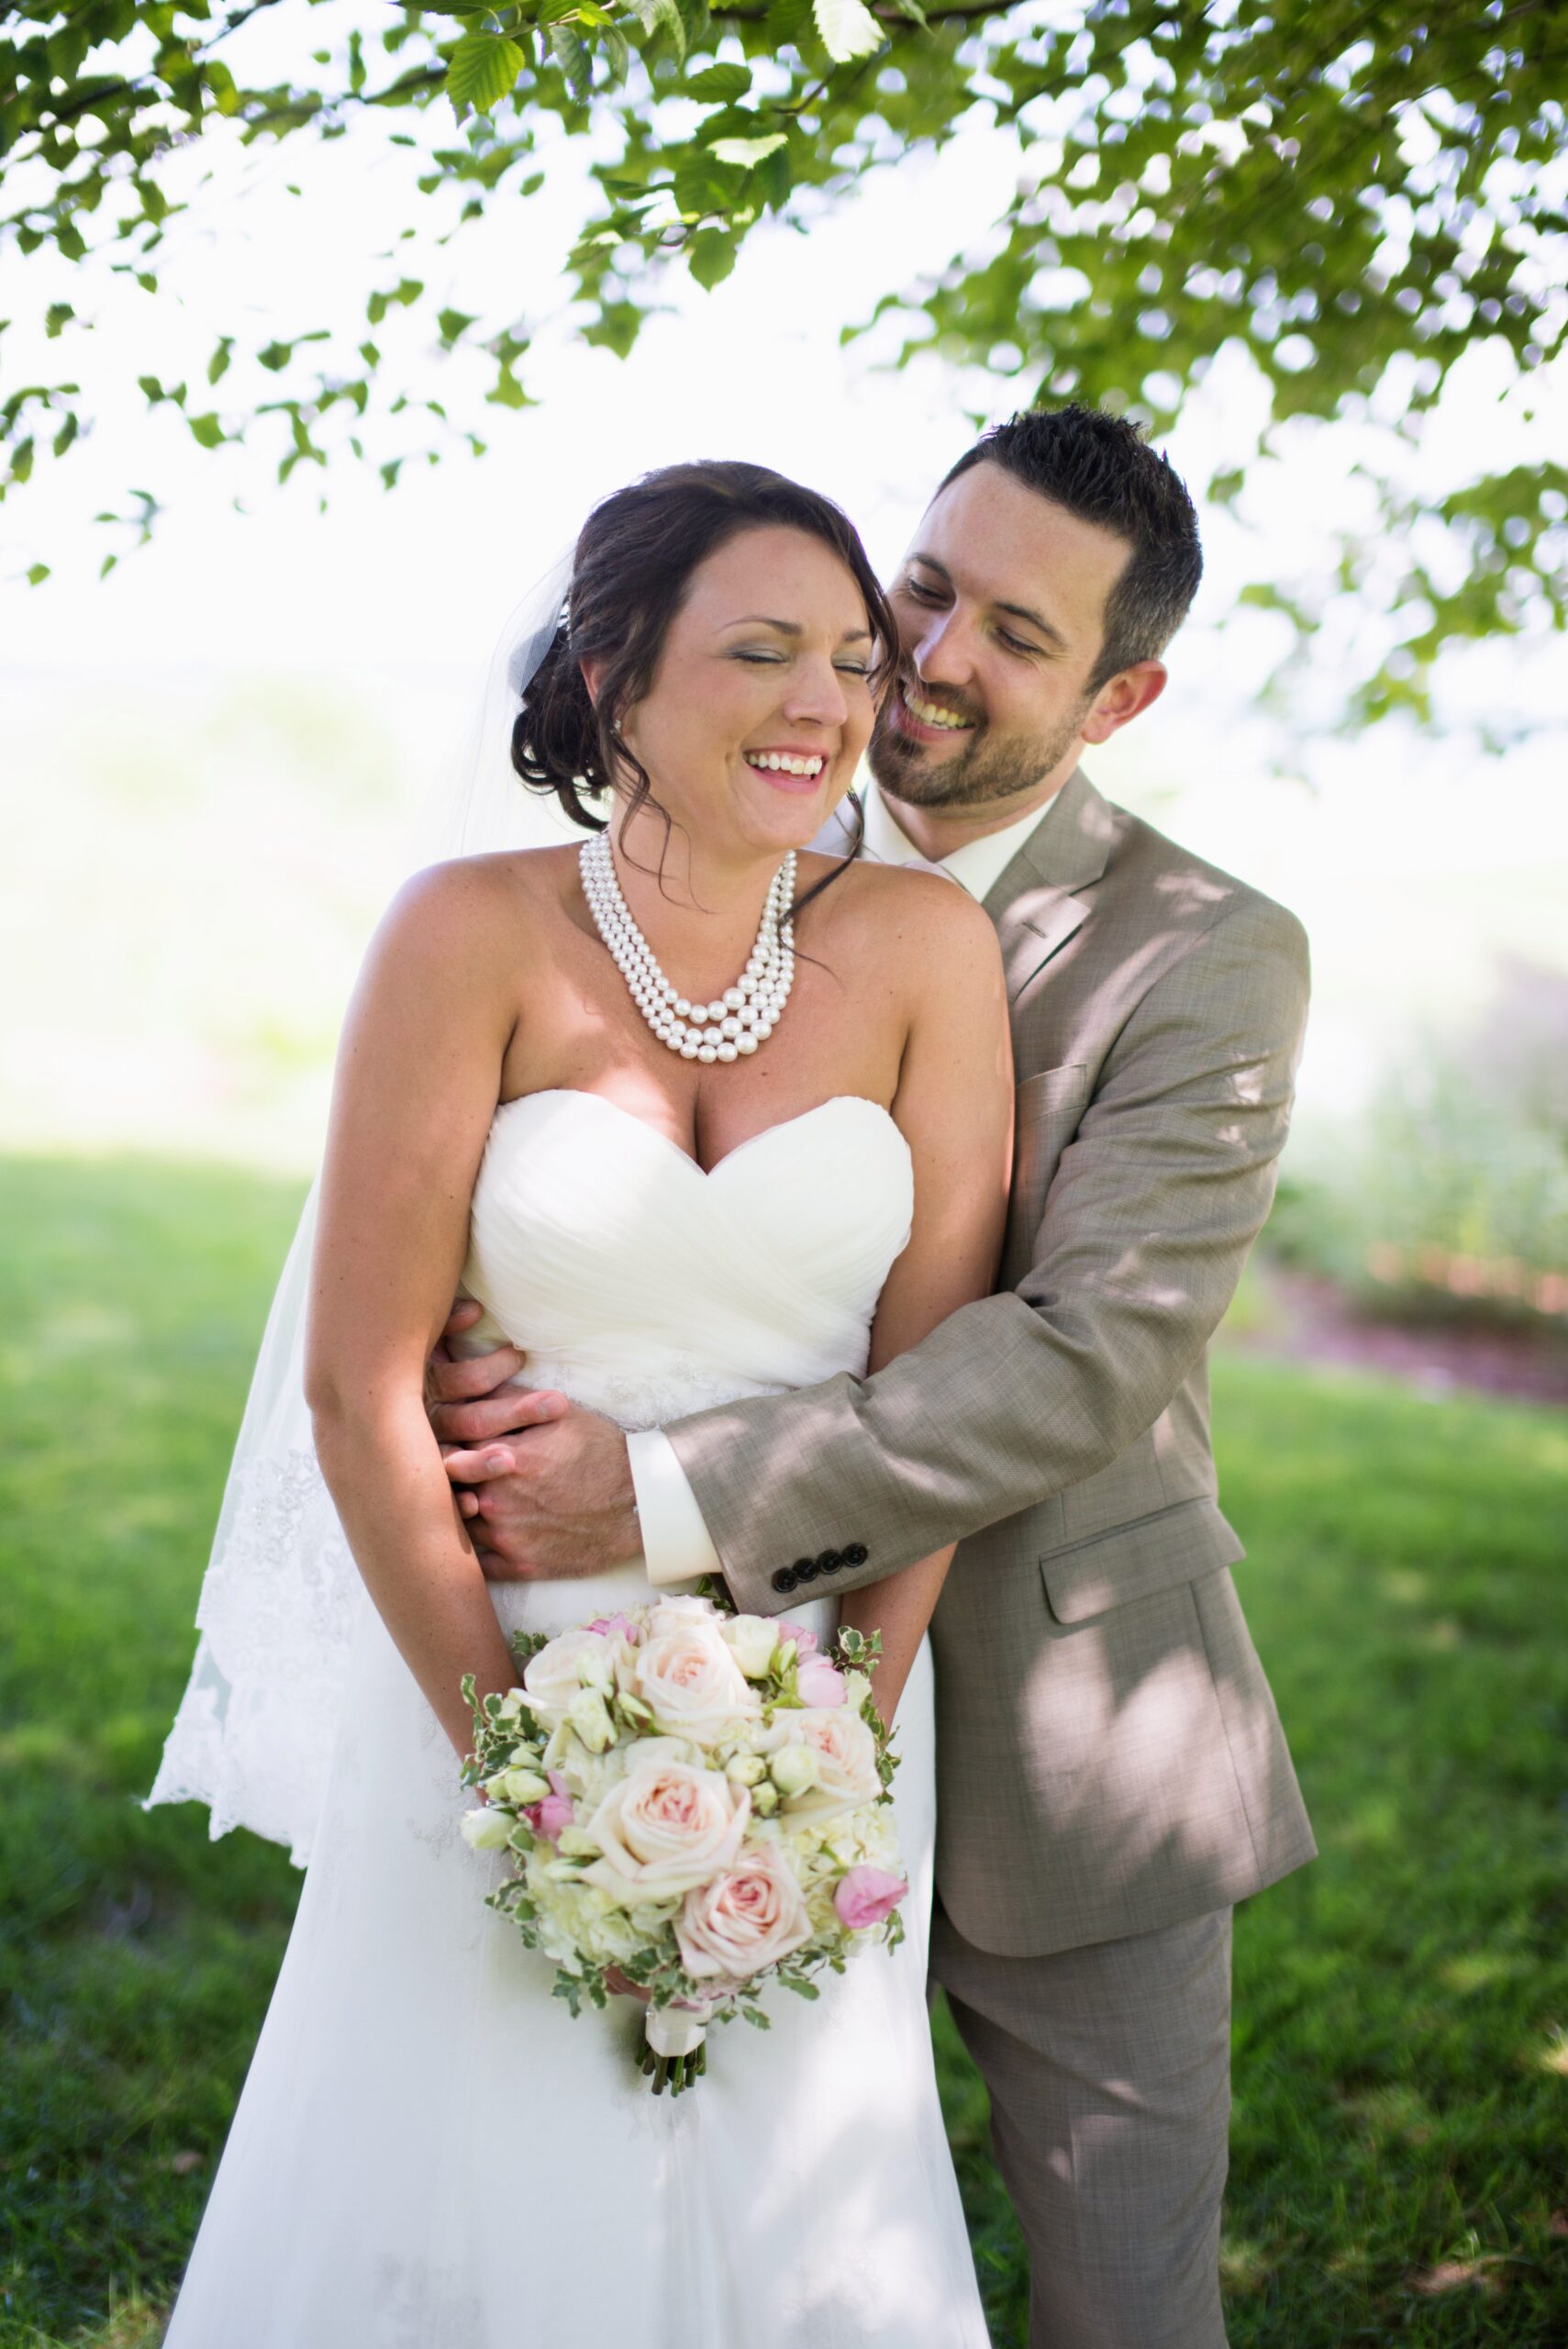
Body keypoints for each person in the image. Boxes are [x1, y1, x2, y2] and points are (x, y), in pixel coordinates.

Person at [428, 406, 1319, 2349]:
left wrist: (659, 1487)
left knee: (1126, 2302)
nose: (928, 653)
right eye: (922, 586)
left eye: (1016, 629)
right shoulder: (713, 840)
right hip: (663, 1708)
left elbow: (1090, 1352)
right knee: (704, 2270)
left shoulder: (1210, 955)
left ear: (1123, 690)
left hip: (1079, 1727)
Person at [148, 459, 1011, 2347]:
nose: (823, 705)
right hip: (490, 1671)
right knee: (465, 2186)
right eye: (761, 650)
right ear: (616, 672)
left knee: (802, 2196)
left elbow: (942, 1398)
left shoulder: (928, 953)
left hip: (829, 1676)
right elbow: (361, 1382)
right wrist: (513, 1776)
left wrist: (838, 1755)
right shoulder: (467, 930)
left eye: (856, 660)